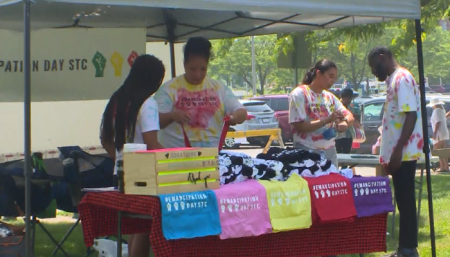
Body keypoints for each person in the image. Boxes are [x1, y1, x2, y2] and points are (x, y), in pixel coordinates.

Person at [100, 54, 166, 257]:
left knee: (134, 224)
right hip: (144, 175)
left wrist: (120, 159)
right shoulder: (147, 104)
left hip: (120, 175)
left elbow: (105, 139)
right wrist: (175, 158)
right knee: (147, 227)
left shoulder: (116, 100)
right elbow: (152, 142)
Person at [368, 46, 423, 257]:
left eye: (374, 66)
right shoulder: (393, 80)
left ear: (383, 58)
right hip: (397, 153)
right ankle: (404, 248)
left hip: (405, 153)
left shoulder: (402, 78)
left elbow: (411, 116)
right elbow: (393, 120)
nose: (374, 72)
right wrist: (386, 153)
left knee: (406, 202)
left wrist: (397, 152)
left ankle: (408, 250)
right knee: (402, 200)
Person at [154, 37, 247, 148]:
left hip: (210, 159)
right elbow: (154, 121)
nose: (198, 75)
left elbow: (241, 112)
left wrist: (234, 117)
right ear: (184, 65)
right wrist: (172, 116)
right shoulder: (169, 89)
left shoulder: (219, 88)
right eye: (192, 69)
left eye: (203, 69)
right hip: (176, 159)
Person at [289, 59, 355, 168]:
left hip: (330, 152)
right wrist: (326, 120)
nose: (332, 81)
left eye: (335, 78)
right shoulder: (300, 94)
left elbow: (350, 116)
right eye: (330, 76)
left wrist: (345, 122)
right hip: (306, 151)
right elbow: (299, 126)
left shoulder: (330, 97)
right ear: (318, 73)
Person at [429, 98, 449, 172]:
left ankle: (442, 167)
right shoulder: (442, 110)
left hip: (439, 133)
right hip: (444, 132)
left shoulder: (436, 111)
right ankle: (446, 166)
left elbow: (438, 122)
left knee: (438, 150)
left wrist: (434, 133)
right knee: (444, 150)